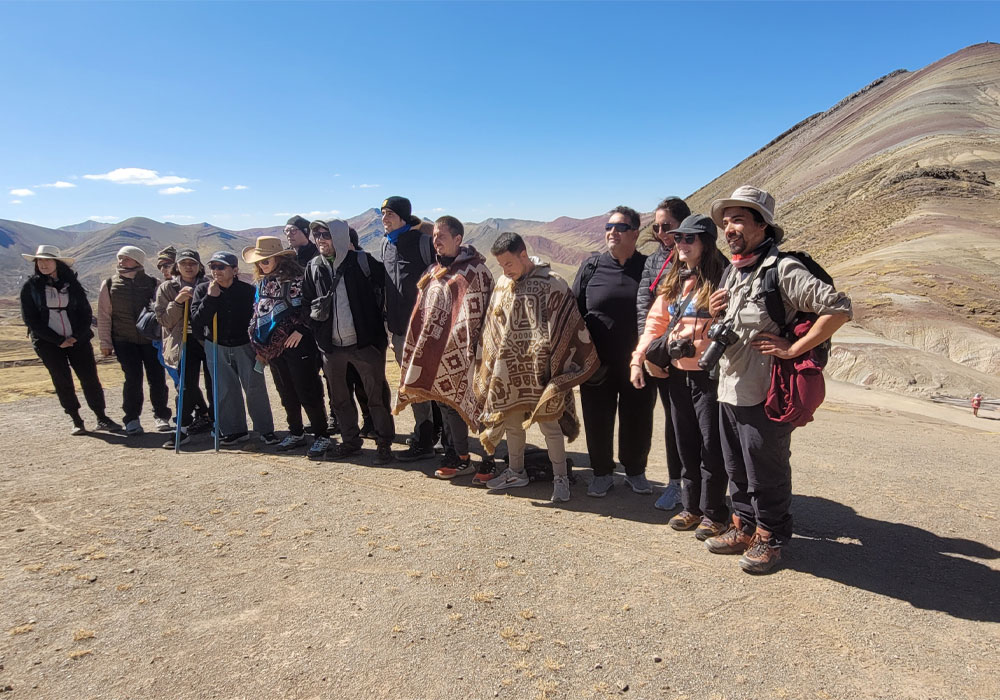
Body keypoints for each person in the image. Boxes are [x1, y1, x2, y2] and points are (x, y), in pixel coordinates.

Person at [705, 185, 852, 574]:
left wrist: (795, 347)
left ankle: (770, 539)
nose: (729, 228)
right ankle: (743, 528)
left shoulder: (782, 270)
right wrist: (713, 310)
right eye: (726, 221)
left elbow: (838, 308)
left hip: (765, 392)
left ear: (762, 224)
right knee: (736, 467)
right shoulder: (733, 271)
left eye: (739, 219)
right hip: (729, 386)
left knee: (765, 469)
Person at [474, 232, 599, 503]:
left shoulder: (553, 284)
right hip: (508, 372)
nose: (505, 271)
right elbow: (492, 329)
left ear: (523, 254)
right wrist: (489, 364)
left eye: (509, 263)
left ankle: (561, 479)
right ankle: (516, 472)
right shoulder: (501, 286)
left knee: (550, 426)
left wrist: (557, 370)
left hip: (543, 372)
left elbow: (569, 326)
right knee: (512, 424)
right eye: (501, 265)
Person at [631, 214, 730, 540]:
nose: (680, 244)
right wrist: (639, 360)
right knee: (686, 445)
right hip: (677, 376)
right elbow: (654, 326)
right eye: (678, 238)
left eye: (689, 239)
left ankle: (715, 513)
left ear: (706, 243)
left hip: (709, 377)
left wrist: (721, 311)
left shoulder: (723, 281)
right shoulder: (675, 281)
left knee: (710, 447)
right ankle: (692, 508)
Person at [394, 215, 494, 479]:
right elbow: (423, 314)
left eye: (442, 236)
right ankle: (459, 457)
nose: (436, 241)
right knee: (446, 404)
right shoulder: (432, 272)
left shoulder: (476, 272)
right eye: (434, 236)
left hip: (470, 354)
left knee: (479, 404)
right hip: (438, 354)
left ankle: (490, 459)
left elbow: (482, 315)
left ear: (458, 239)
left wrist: (469, 348)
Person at [573, 206, 657, 498]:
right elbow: (574, 312)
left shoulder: (649, 268)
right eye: (608, 226)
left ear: (635, 233)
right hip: (597, 363)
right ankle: (601, 473)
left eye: (619, 227)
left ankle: (635, 472)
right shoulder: (591, 267)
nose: (612, 232)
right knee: (597, 417)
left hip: (639, 362)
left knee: (639, 417)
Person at [302, 219, 394, 464]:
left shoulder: (362, 262)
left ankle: (384, 442)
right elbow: (305, 303)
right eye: (316, 235)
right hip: (331, 347)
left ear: (340, 237)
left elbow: (389, 289)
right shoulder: (313, 267)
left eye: (326, 234)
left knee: (376, 397)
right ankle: (350, 442)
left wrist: (380, 335)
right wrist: (318, 332)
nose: (320, 239)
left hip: (365, 344)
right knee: (340, 399)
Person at [244, 236, 331, 460]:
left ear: (278, 258)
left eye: (265, 261)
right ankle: (296, 431)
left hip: (297, 343)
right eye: (259, 262)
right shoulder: (263, 282)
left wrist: (301, 330)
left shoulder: (297, 279)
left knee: (306, 388)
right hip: (273, 346)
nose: (261, 265)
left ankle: (322, 435)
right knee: (285, 390)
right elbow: (261, 310)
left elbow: (309, 306)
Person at [19, 245, 120, 435]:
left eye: (47, 260)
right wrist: (58, 340)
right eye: (40, 261)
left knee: (90, 378)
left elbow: (85, 313)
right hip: (48, 343)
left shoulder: (72, 285)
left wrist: (75, 337)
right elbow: (30, 319)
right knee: (62, 379)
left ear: (57, 262)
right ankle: (76, 419)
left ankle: (101, 417)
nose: (43, 264)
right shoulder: (30, 288)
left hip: (78, 341)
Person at [190, 251, 278, 446]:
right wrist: (211, 299)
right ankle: (234, 430)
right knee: (225, 390)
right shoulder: (203, 290)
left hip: (246, 345)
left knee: (255, 388)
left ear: (235, 270)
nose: (216, 271)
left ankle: (265, 430)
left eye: (221, 267)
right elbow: (197, 321)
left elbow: (258, 319)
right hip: (216, 345)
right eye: (213, 267)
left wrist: (260, 347)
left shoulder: (247, 291)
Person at [636, 196, 690, 511]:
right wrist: (651, 351)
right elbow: (645, 306)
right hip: (662, 358)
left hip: (693, 354)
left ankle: (701, 489)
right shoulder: (653, 261)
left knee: (697, 424)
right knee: (673, 421)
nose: (660, 233)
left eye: (666, 226)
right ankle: (676, 484)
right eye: (656, 227)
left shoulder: (702, 257)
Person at [380, 196, 440, 460]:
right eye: (383, 214)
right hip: (400, 331)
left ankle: (438, 438)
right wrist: (389, 328)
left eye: (390, 214)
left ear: (404, 217)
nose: (384, 218)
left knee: (433, 383)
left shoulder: (423, 243)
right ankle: (426, 436)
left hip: (426, 330)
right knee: (413, 386)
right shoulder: (386, 246)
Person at [97, 245, 172, 435]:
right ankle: (131, 418)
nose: (122, 262)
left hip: (151, 340)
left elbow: (161, 312)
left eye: (127, 258)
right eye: (120, 258)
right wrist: (105, 342)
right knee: (132, 379)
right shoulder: (109, 284)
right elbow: (104, 316)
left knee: (157, 378)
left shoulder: (152, 283)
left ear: (138, 260)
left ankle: (161, 415)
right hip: (124, 340)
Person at [154, 249, 213, 449]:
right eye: (184, 263)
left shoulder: (208, 285)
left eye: (193, 263)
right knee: (186, 386)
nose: (189, 267)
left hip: (207, 340)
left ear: (199, 266)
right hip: (183, 342)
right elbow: (164, 320)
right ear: (177, 266)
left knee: (213, 383)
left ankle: (217, 424)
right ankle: (183, 427)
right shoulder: (167, 288)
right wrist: (177, 302)